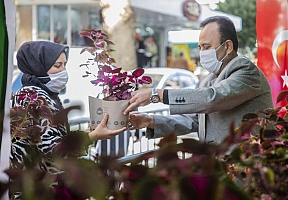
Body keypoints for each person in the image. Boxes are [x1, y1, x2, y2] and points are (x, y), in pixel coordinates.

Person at [124, 16, 273, 144]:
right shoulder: (210, 79)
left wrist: (157, 94)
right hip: (219, 167)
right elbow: (196, 120)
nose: (202, 53)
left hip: (246, 167)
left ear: (227, 46)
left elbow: (213, 99)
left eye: (207, 47)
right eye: (200, 47)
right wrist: (151, 121)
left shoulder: (245, 70)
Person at [10, 41, 126, 173]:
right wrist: (92, 137)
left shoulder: (39, 93)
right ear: (38, 67)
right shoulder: (33, 98)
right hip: (40, 185)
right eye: (57, 65)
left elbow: (54, 137)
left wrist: (86, 133)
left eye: (64, 65)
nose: (63, 71)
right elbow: (53, 149)